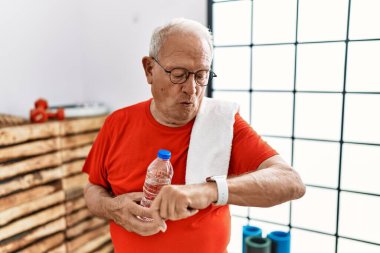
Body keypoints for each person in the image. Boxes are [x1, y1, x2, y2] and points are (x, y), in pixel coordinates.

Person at [82, 18, 305, 253]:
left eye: (201, 75)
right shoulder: (117, 124)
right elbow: (92, 189)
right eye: (178, 74)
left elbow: (291, 182)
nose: (192, 89)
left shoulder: (223, 122)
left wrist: (209, 190)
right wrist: (112, 208)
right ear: (149, 69)